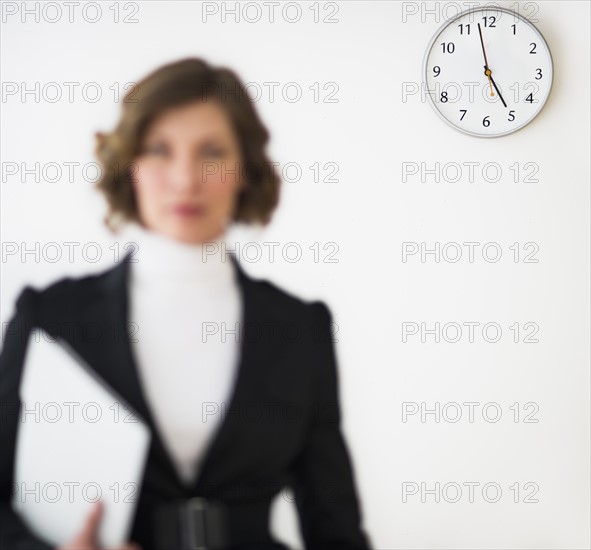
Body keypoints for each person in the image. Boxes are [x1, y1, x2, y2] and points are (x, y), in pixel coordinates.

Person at [0, 58, 372, 550]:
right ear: (129, 164)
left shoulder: (300, 327)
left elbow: (335, 526)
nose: (185, 179)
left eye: (211, 152)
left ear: (244, 168)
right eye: (159, 150)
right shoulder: (52, 319)